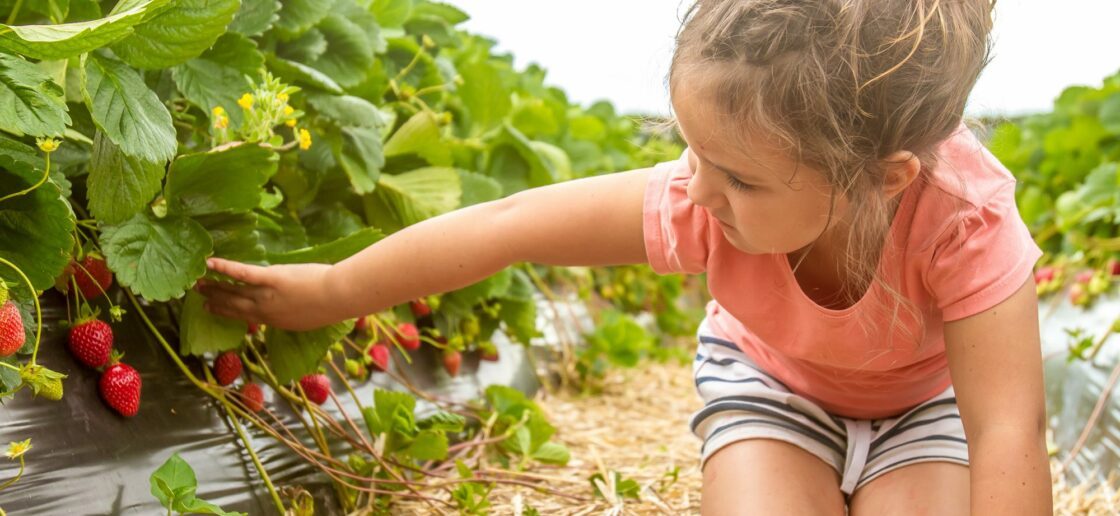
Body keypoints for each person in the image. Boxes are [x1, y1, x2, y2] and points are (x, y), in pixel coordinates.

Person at [195, 0, 1053, 513]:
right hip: (773, 387)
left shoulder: (964, 224)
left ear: (882, 178)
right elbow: (511, 223)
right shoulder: (702, 196)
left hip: (921, 413)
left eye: (742, 179)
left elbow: (1007, 425)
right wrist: (334, 289)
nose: (701, 192)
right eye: (692, 150)